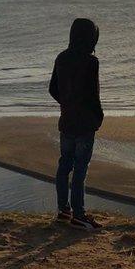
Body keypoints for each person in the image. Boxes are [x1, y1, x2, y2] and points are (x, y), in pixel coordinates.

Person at [49, 18, 104, 230]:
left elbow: (53, 89)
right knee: (80, 169)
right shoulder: (91, 62)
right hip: (84, 123)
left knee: (65, 165)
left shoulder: (61, 58)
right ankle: (79, 214)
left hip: (67, 121)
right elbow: (93, 95)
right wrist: (98, 117)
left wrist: (67, 104)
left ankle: (64, 210)